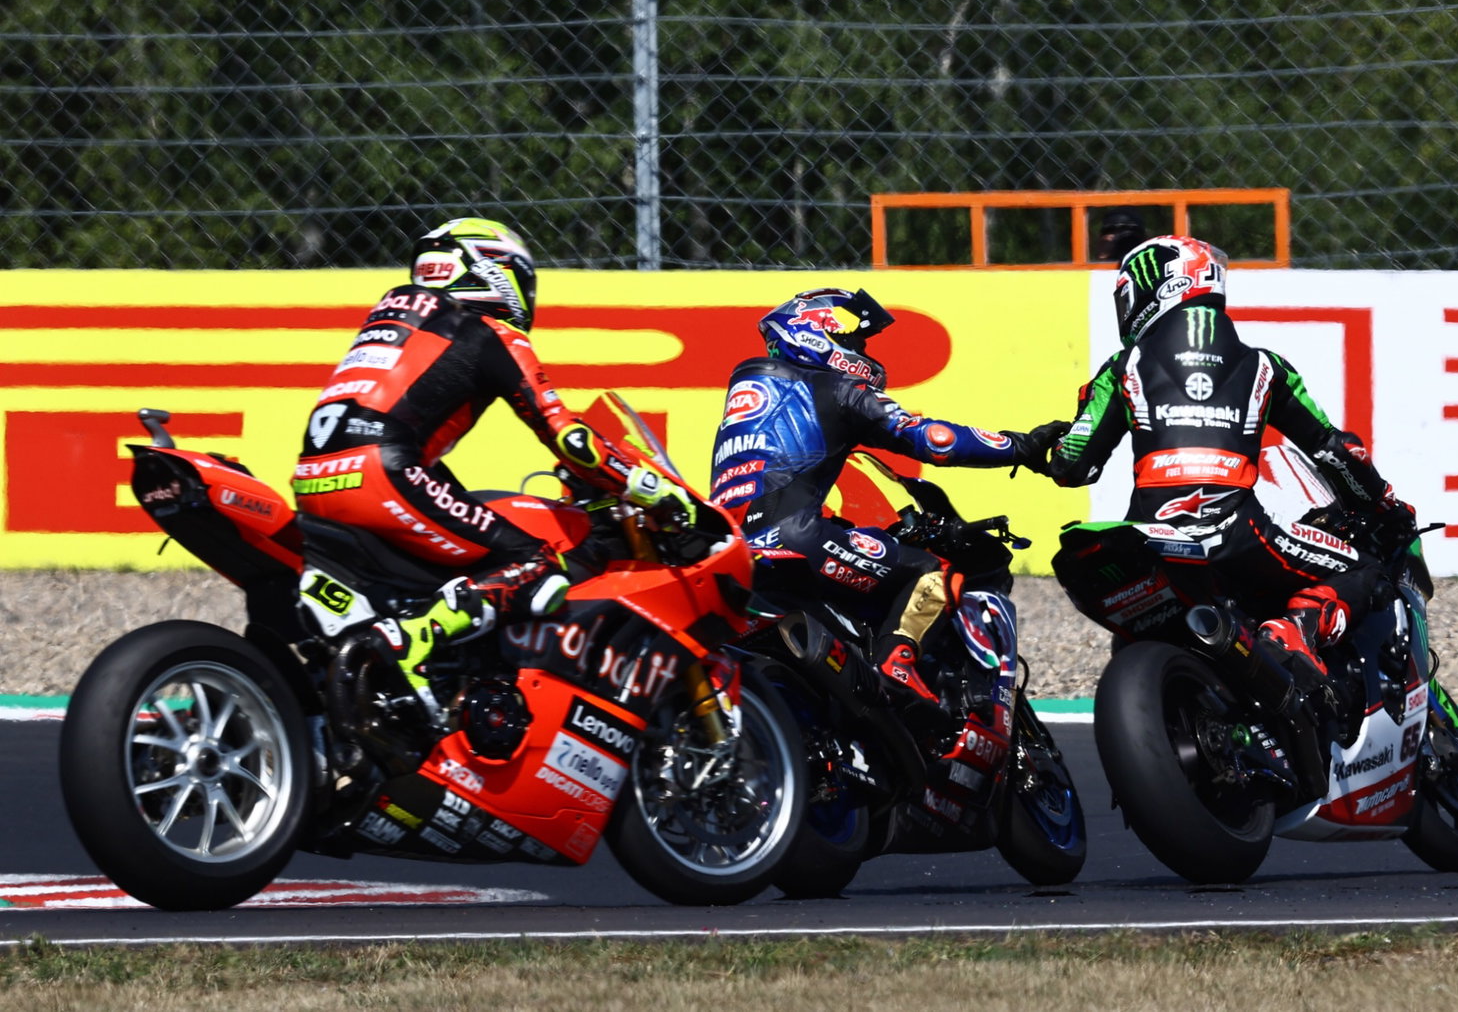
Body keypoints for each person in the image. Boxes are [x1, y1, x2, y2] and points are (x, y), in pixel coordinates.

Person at [295, 217, 694, 725]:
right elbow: (569, 438)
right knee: (536, 561)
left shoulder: (391, 316)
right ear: (495, 271)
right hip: (382, 473)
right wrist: (646, 486)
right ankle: (412, 639)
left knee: (458, 550)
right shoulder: (491, 331)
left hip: (313, 477)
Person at [1035, 235, 1415, 734]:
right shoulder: (1265, 367)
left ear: (1158, 289)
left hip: (1149, 539)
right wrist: (1382, 502)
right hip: (1238, 532)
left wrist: (1040, 446)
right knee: (1364, 570)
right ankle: (1292, 632)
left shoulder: (1121, 368)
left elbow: (1073, 466)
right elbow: (1336, 451)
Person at [709, 286, 1062, 723]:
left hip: (735, 550)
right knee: (930, 573)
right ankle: (898, 670)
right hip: (797, 537)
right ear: (820, 334)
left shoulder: (747, 399)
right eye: (854, 339)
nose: (860, 349)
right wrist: (1021, 448)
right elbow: (932, 439)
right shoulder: (834, 387)